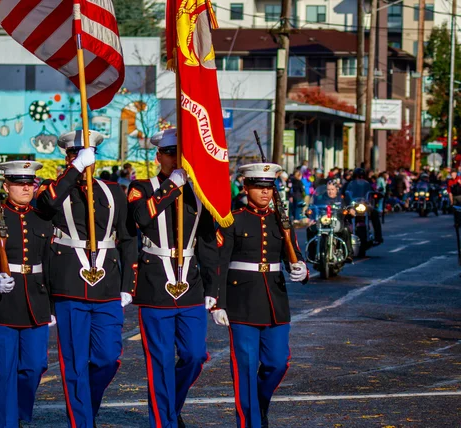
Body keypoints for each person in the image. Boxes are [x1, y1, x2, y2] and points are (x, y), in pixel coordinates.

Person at [37, 130, 137, 428]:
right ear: (68, 157)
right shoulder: (52, 188)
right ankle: (81, 421)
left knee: (108, 358)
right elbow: (46, 207)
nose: (84, 160)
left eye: (87, 155)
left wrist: (128, 285)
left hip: (107, 285)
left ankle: (87, 405)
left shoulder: (114, 191)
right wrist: (75, 169)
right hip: (68, 283)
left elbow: (129, 238)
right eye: (75, 155)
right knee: (75, 361)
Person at [127, 128, 220, 428]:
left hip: (190, 283)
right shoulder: (142, 187)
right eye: (169, 152)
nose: (175, 157)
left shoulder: (197, 192)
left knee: (195, 355)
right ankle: (163, 422)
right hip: (155, 281)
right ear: (158, 156)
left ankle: (171, 405)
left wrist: (212, 286)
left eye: (180, 153)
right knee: (161, 361)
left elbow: (207, 241)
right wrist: (171, 186)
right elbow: (141, 217)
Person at [213, 162, 308, 428]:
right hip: (240, 302)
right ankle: (251, 422)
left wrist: (300, 268)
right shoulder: (232, 219)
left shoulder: (281, 220)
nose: (265, 193)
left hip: (275, 301)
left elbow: (293, 254)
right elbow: (220, 263)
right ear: (245, 187)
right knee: (245, 368)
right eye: (258, 187)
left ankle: (259, 403)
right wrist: (218, 303)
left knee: (278, 363)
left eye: (269, 187)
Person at [0, 160, 53, 428]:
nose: (27, 188)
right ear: (6, 186)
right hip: (1, 303)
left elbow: (50, 263)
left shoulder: (42, 218)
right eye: (20, 183)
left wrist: (52, 305)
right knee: (3, 370)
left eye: (31, 183)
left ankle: (18, 412)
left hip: (35, 302)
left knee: (35, 366)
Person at [306, 181, 354, 262]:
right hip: (323, 222)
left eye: (332, 189)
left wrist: (350, 210)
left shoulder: (341, 198)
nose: (330, 191)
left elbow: (349, 207)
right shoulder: (321, 198)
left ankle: (349, 254)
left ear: (336, 190)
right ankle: (311, 254)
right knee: (310, 229)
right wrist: (310, 214)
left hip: (338, 222)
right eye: (328, 189)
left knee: (346, 229)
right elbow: (314, 207)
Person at [342, 168, 383, 244]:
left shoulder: (367, 184)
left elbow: (372, 192)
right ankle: (341, 237)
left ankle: (378, 237)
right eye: (358, 176)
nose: (360, 178)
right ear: (354, 177)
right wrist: (343, 196)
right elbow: (342, 194)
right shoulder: (348, 184)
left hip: (364, 205)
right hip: (352, 206)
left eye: (361, 176)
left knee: (375, 213)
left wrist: (376, 194)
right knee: (343, 215)